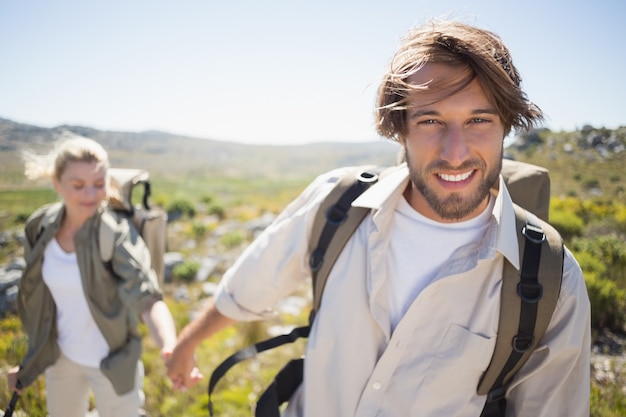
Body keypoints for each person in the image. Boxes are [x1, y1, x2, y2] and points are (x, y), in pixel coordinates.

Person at [166, 20, 590, 416]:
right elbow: (248, 288)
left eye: (479, 119)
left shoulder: (552, 279)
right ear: (400, 128)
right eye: (430, 120)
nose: (456, 151)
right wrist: (187, 344)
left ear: (506, 128)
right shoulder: (337, 206)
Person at [7, 135, 178, 417]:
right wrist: (31, 360)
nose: (90, 195)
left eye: (99, 184)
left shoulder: (116, 234)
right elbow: (43, 303)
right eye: (78, 185)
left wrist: (170, 346)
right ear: (56, 184)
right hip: (60, 359)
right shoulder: (40, 228)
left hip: (114, 362)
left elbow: (147, 298)